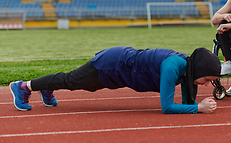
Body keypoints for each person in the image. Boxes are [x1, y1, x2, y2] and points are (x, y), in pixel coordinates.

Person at [9, 46, 220, 114]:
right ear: (198, 69)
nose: (207, 84)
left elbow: (185, 102)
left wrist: (195, 105)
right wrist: (198, 108)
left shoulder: (187, 68)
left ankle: (46, 89)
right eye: (207, 79)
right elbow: (167, 107)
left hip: (122, 73)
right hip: (113, 64)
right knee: (71, 80)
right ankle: (23, 86)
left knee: (81, 86)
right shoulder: (172, 67)